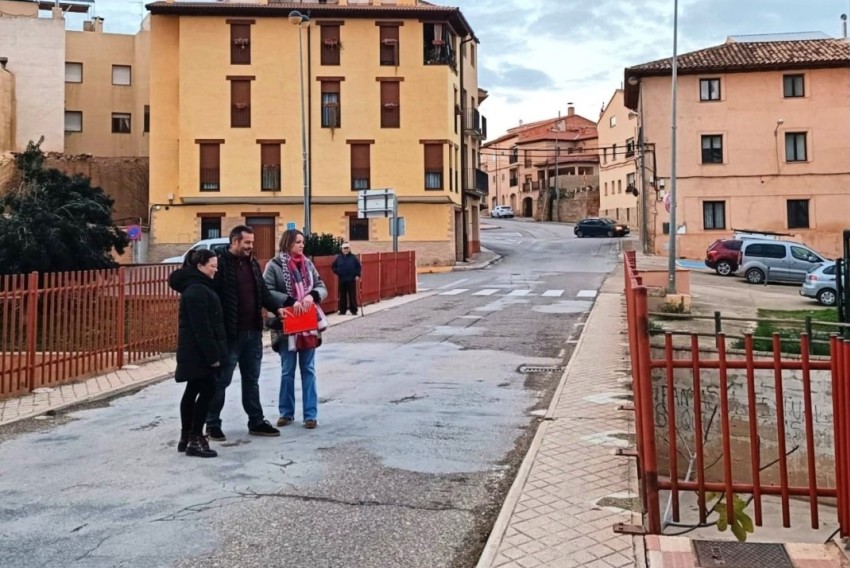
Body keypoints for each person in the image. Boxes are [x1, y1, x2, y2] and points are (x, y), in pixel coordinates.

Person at [206, 225, 284, 441]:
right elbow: (211, 297)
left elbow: (263, 293)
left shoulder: (252, 264)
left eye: (252, 242)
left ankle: (256, 421)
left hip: (253, 332)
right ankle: (212, 424)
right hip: (230, 335)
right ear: (234, 242)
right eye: (247, 242)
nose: (251, 246)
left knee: (252, 380)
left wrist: (278, 308)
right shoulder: (220, 264)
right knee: (222, 381)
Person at [264, 229, 329, 429]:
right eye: (298, 242)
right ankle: (286, 413)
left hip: (308, 326)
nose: (302, 245)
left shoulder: (308, 265)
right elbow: (267, 290)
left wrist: (312, 296)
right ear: (288, 243)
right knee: (287, 371)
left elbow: (321, 286)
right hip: (286, 326)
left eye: (303, 242)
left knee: (308, 370)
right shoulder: (274, 266)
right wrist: (290, 300)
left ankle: (310, 415)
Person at [168, 250, 226, 458]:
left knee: (193, 391)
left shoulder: (198, 287)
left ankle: (187, 437)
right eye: (212, 265)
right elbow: (202, 327)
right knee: (207, 391)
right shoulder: (196, 291)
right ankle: (195, 437)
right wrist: (213, 356)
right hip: (199, 353)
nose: (216, 269)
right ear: (200, 266)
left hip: (195, 352)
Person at [331, 242, 361, 315]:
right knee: (342, 296)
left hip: (351, 279)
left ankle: (354, 310)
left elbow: (358, 267)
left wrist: (357, 275)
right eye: (344, 248)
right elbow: (333, 266)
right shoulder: (339, 258)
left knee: (352, 295)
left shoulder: (353, 257)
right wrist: (338, 272)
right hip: (342, 279)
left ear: (349, 249)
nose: (346, 250)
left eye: (347, 248)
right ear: (342, 249)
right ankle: (342, 311)